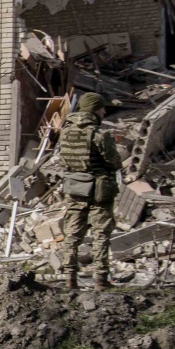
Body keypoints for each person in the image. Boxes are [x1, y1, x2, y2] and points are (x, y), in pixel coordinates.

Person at [59, 91, 121, 290]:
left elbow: (64, 161)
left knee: (72, 233)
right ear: (94, 109)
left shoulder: (65, 132)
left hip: (75, 188)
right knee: (101, 233)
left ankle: (69, 279)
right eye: (102, 108)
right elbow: (114, 162)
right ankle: (100, 279)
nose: (104, 112)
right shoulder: (99, 134)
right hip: (99, 190)